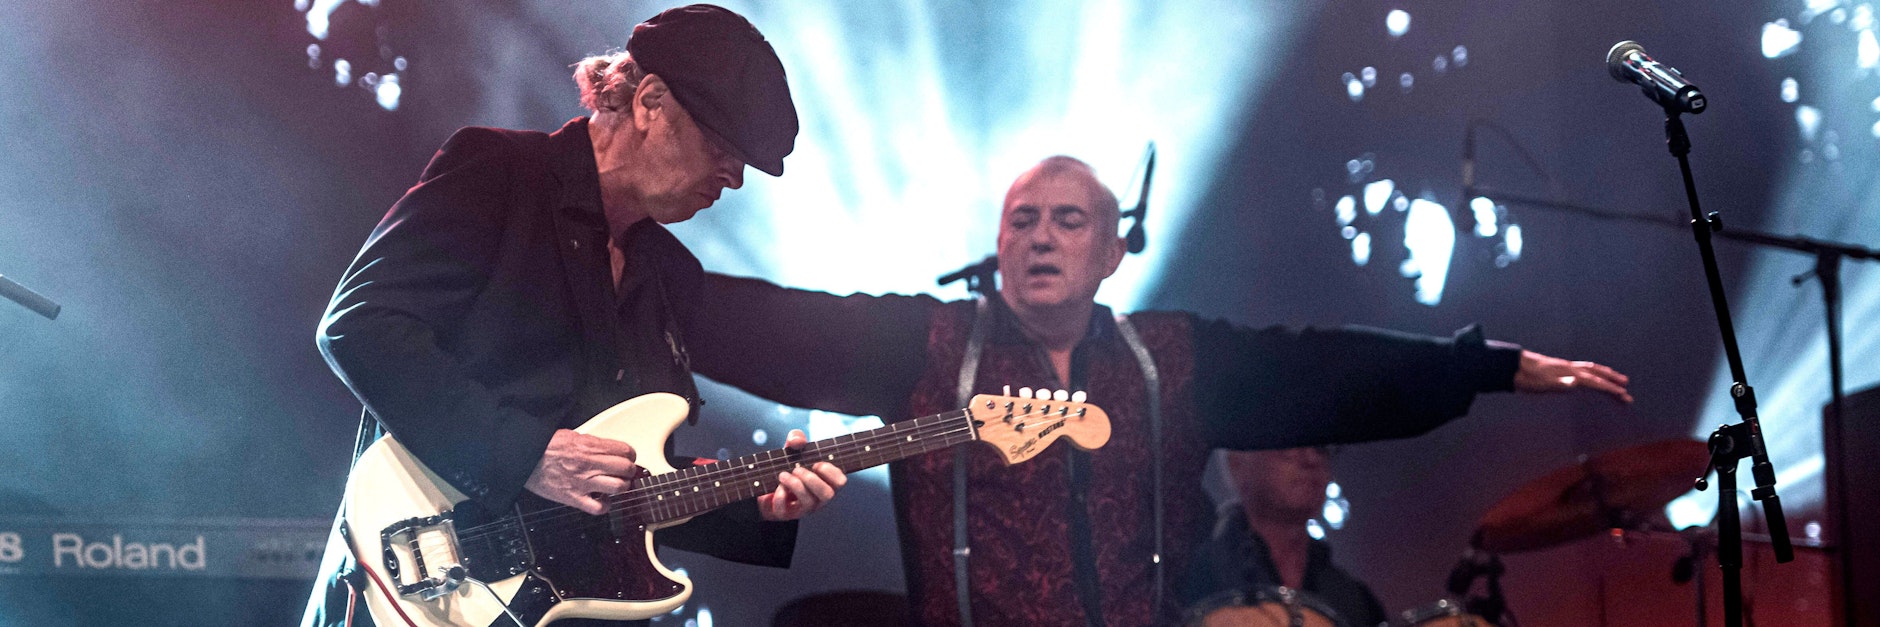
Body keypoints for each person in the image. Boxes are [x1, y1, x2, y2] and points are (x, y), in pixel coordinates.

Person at [685, 155, 1631, 626]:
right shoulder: (928, 342)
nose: (1043, 237)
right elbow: (768, 325)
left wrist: (1488, 363)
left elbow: (1331, 370)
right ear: (1000, 243)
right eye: (1023, 222)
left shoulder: (1173, 358)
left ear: (1111, 250)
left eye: (1068, 221)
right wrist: (628, 270)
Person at [299, 6, 848, 626]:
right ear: (649, 101)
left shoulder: (670, 274)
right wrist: (526, 453)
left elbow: (624, 481)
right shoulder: (499, 173)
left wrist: (757, 502)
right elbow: (359, 324)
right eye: (722, 146)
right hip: (418, 582)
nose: (735, 178)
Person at [1180, 447, 1386, 627]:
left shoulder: (1354, 599)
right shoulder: (1192, 577)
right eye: (1289, 446)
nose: (1311, 460)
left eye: (1320, 447)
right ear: (1237, 464)